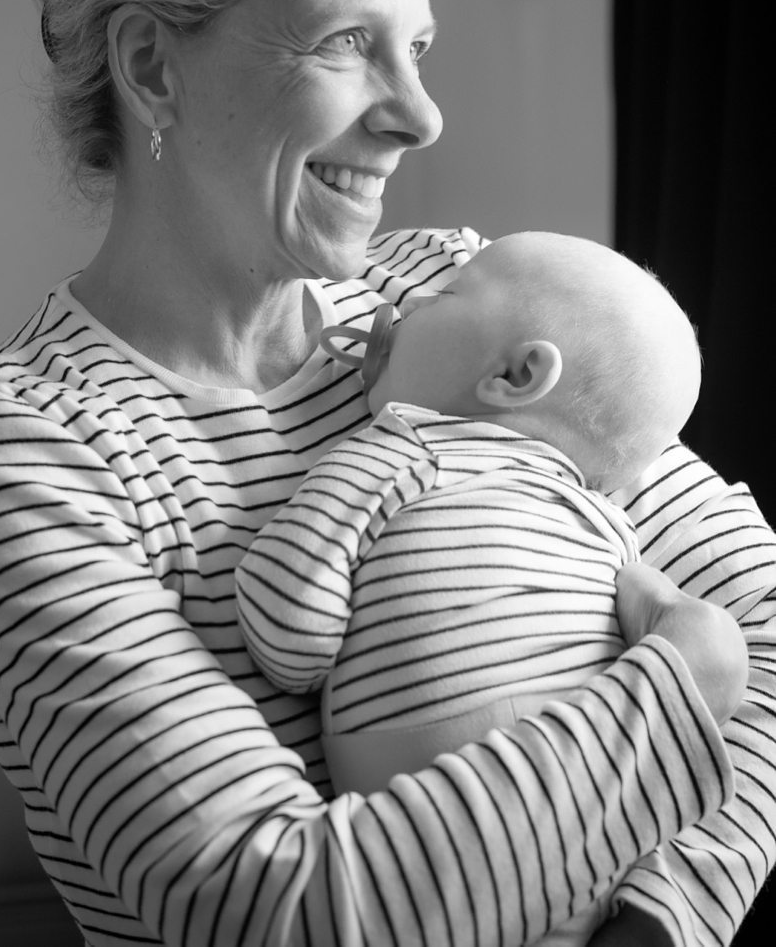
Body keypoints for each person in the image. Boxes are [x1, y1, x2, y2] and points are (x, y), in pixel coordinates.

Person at [0, 0, 776, 947]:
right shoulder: (18, 456)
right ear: (153, 66)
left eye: (419, 47)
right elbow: (277, 908)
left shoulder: (442, 296)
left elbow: (761, 624)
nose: (420, 114)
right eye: (349, 44)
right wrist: (677, 695)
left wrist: (667, 915)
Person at [234, 230, 751, 945]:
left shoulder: (401, 450)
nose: (404, 302)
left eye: (440, 297)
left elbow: (289, 638)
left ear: (513, 377)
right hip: (593, 867)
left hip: (416, 857)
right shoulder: (609, 528)